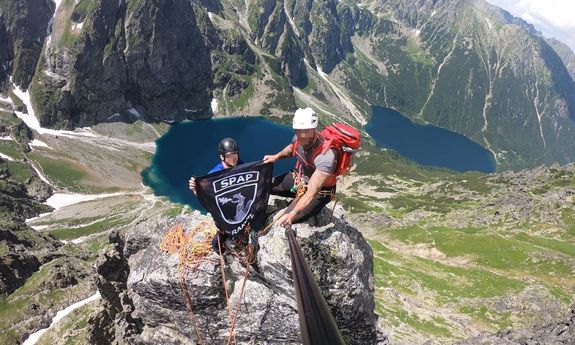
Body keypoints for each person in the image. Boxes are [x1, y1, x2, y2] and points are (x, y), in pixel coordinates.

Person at [263, 107, 338, 226]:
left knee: (287, 220)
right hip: (301, 179)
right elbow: (291, 149)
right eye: (299, 131)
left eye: (306, 131)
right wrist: (276, 156)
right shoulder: (298, 139)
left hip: (321, 191)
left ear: (314, 129)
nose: (302, 135)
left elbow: (311, 193)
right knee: (266, 185)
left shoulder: (326, 156)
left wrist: (293, 213)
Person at [189, 137, 244, 254]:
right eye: (229, 155)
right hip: (223, 209)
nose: (234, 158)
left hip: (236, 204)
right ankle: (217, 248)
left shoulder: (241, 165)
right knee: (223, 232)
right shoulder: (214, 175)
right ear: (221, 156)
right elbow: (206, 197)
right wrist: (195, 189)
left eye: (235, 154)